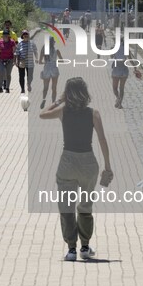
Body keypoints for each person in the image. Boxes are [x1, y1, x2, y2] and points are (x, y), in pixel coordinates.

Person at [40, 77, 112, 261]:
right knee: (85, 205)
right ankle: (85, 246)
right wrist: (107, 166)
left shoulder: (63, 111)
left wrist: (59, 100)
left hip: (68, 161)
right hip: (88, 162)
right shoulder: (93, 113)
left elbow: (42, 114)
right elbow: (102, 140)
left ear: (68, 93)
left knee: (66, 206)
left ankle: (71, 249)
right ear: (85, 93)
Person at [111, 40, 141, 109]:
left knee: (114, 88)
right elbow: (130, 59)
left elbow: (111, 56)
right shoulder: (126, 49)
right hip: (124, 70)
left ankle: (118, 98)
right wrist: (135, 68)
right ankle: (120, 103)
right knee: (122, 88)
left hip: (116, 69)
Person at [39, 38, 63, 109]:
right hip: (54, 68)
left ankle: (44, 99)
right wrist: (55, 61)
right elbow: (62, 60)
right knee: (54, 87)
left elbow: (40, 62)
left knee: (45, 87)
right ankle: (53, 103)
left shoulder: (43, 50)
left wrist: (45, 62)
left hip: (46, 69)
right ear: (53, 43)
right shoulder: (57, 50)